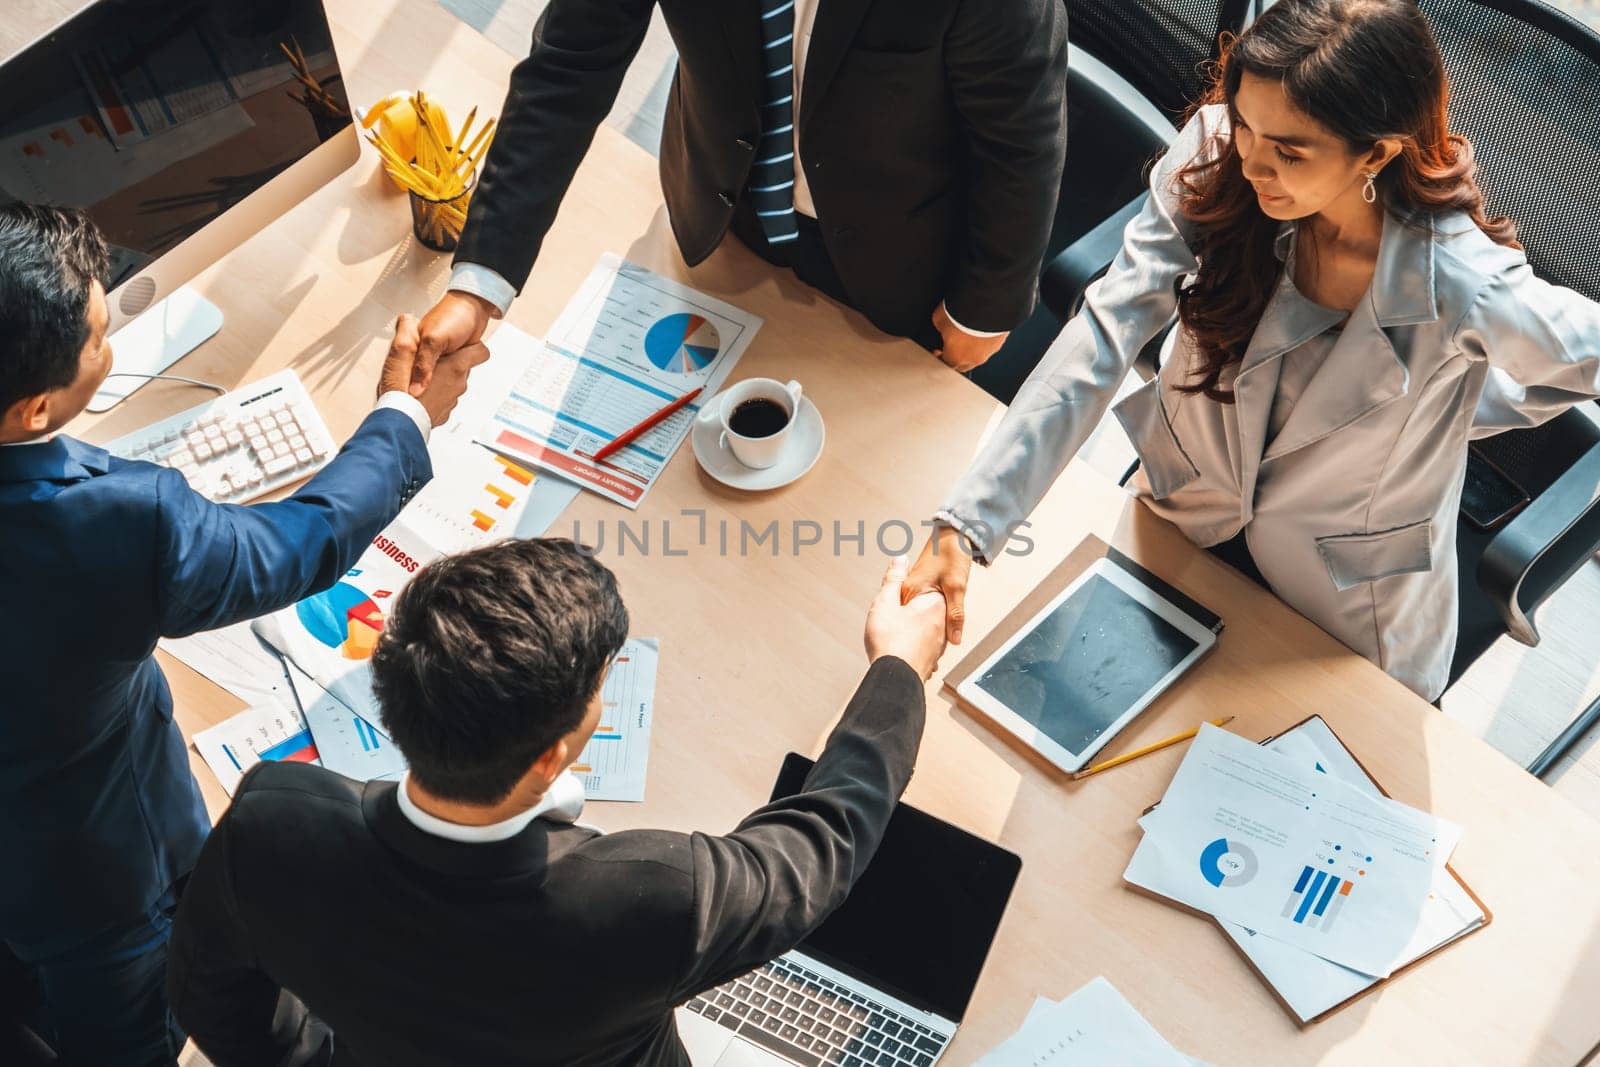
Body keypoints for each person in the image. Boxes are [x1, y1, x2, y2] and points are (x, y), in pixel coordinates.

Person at [901, 0, 1600, 703]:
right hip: (1178, 520)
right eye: (1244, 124)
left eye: (1290, 152)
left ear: (1377, 152)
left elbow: (1582, 357)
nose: (1253, 162)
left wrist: (1467, 402)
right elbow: (1108, 327)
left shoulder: (1463, 279)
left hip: (1344, 615)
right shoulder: (1217, 151)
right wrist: (966, 523)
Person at [0, 203, 487, 1065]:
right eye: (99, 339)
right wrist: (403, 416)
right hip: (96, 883)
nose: (111, 349)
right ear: (34, 410)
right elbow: (301, 544)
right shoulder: (111, 525)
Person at [167, 540, 947, 1066]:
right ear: (549, 755)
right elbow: (824, 844)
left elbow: (208, 992)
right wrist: (898, 669)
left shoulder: (272, 824)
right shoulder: (650, 895)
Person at [403, 0, 1068, 381]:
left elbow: (1022, 138)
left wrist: (984, 308)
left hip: (903, 265)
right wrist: (480, 283)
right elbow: (569, 67)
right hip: (721, 219)